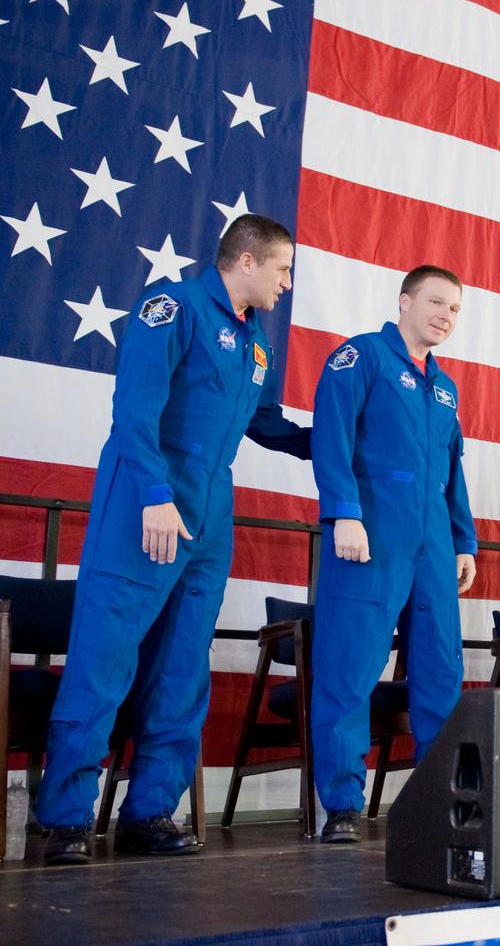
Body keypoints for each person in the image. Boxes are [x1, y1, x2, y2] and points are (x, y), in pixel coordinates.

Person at [39, 215, 311, 864]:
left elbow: (265, 422)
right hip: (145, 500)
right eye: (283, 268)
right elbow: (134, 412)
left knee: (183, 664)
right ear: (247, 260)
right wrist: (156, 497)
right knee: (105, 658)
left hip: (211, 513)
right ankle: (65, 818)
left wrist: (334, 446)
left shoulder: (255, 344)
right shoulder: (173, 309)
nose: (287, 282)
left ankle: (149, 809)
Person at [308, 265, 477, 843]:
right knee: (350, 667)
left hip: (432, 541)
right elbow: (330, 437)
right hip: (370, 533)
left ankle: (439, 799)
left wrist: (463, 541)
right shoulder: (360, 358)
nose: (445, 315)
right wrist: (343, 512)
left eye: (454, 309)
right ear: (405, 301)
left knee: (440, 672)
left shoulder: (446, 387)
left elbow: (452, 472)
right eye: (436, 302)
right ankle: (342, 804)